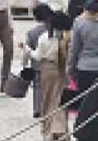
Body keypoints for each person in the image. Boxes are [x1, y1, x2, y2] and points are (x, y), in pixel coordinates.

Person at [68, 0, 98, 140]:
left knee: (85, 106)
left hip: (86, 68)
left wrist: (71, 70)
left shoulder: (80, 22)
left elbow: (74, 50)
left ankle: (85, 135)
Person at [33, 10, 72, 141]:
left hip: (48, 69)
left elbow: (38, 56)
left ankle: (50, 129)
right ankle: (62, 130)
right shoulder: (68, 37)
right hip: (63, 70)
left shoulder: (45, 37)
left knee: (48, 99)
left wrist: (27, 51)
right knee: (61, 99)